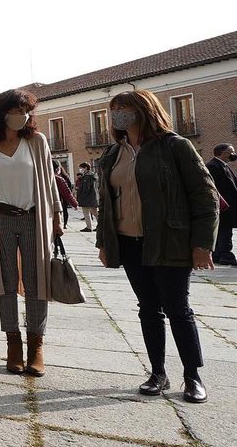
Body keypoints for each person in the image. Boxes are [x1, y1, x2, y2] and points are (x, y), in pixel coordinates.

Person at [96, 91, 218, 403]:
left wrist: (203, 244)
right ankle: (158, 373)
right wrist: (103, 243)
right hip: (129, 243)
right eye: (115, 110)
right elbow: (106, 204)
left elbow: (205, 196)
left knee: (178, 309)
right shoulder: (113, 153)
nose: (118, 114)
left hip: (169, 239)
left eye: (124, 108)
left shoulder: (174, 146)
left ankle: (192, 376)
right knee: (148, 309)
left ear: (144, 110)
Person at [0, 89, 62, 377]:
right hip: (1, 220)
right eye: (17, 110)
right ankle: (13, 343)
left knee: (37, 282)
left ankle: (36, 345)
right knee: (5, 282)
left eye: (27, 111)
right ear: (2, 113)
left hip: (34, 218)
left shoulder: (36, 141)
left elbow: (49, 180)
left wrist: (56, 216)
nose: (22, 116)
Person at [205, 144, 237, 265]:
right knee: (224, 232)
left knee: (223, 231)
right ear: (224, 153)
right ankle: (226, 256)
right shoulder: (213, 166)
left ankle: (218, 255)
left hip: (227, 207)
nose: (234, 154)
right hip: (223, 207)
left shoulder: (223, 165)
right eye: (231, 152)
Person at [53, 162, 78, 227]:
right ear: (57, 169)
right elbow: (67, 193)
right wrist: (74, 204)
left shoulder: (40, 178)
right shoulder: (58, 179)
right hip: (56, 204)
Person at [76, 162, 99, 232]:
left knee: (86, 213)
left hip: (87, 198)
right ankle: (101, 225)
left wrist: (81, 197)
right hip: (93, 197)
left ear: (85, 168)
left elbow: (86, 189)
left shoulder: (87, 177)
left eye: (81, 168)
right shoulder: (93, 175)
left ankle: (89, 227)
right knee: (96, 213)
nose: (80, 169)